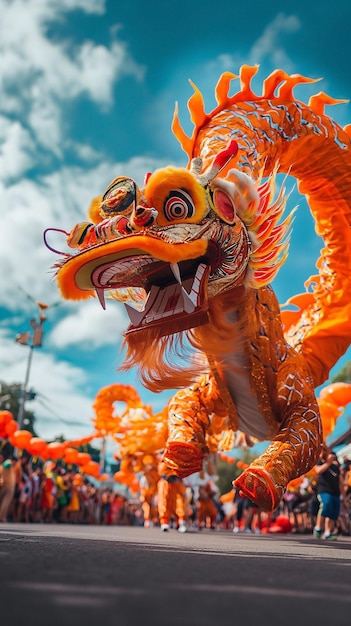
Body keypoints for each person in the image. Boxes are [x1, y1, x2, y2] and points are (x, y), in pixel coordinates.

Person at [314, 448, 346, 540]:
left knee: (333, 512)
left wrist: (343, 497)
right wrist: (328, 463)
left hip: (335, 492)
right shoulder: (320, 462)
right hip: (324, 490)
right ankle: (318, 528)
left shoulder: (336, 467)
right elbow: (318, 471)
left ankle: (328, 532)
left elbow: (340, 482)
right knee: (326, 505)